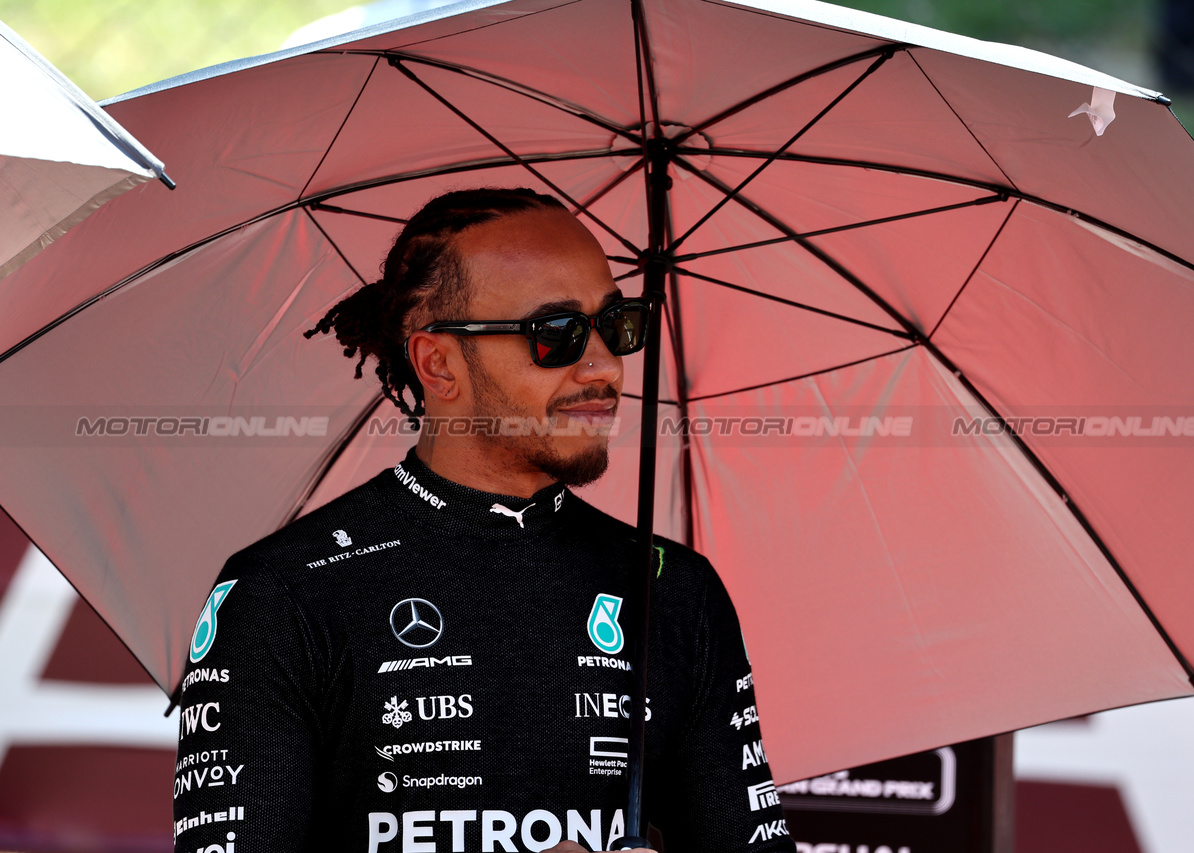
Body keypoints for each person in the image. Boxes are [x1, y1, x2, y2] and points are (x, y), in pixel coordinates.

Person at [172, 188, 794, 853]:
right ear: (439, 362)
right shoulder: (283, 591)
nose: (606, 366)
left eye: (616, 324)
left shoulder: (673, 588)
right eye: (558, 334)